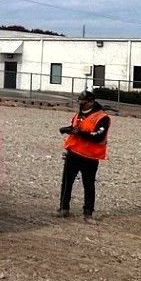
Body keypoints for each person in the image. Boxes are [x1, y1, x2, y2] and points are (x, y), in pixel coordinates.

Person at [57, 91, 110, 219]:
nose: (81, 105)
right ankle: (64, 208)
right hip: (73, 153)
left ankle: (88, 212)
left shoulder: (102, 118)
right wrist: (67, 129)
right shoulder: (79, 114)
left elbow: (98, 136)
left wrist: (79, 133)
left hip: (90, 157)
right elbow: (75, 127)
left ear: (91, 102)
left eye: (83, 102)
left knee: (88, 184)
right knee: (67, 182)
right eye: (79, 102)